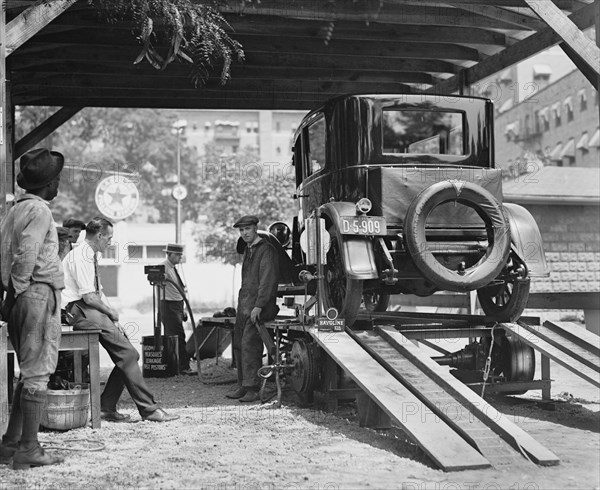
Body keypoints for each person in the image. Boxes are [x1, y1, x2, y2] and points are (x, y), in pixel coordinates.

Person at [62, 217, 179, 423]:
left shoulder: (89, 254)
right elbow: (89, 296)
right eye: (108, 238)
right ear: (98, 236)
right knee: (127, 354)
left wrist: (112, 315)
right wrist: (110, 313)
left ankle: (107, 408)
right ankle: (149, 410)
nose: (110, 242)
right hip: (80, 308)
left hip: (88, 307)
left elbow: (97, 292)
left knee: (129, 355)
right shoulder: (81, 255)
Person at [0, 148, 66, 469]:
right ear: (47, 184)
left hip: (19, 297)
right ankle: (29, 448)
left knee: (28, 375)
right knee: (38, 374)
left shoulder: (13, 211)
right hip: (36, 294)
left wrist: (10, 297)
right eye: (56, 181)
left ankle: (10, 444)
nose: (58, 187)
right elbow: (27, 255)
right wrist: (19, 290)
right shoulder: (40, 211)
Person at [226, 215, 279, 403]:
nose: (244, 233)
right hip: (245, 305)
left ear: (256, 228)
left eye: (247, 229)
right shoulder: (249, 250)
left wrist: (259, 306)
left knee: (250, 345)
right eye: (241, 230)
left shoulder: (266, 250)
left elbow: (267, 281)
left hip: (260, 306)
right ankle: (243, 384)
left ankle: (253, 388)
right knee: (239, 344)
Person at [160, 243, 193, 374]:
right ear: (169, 254)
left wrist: (183, 308)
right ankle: (182, 366)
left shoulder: (172, 268)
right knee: (177, 337)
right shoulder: (163, 267)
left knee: (176, 336)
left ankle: (177, 366)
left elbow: (178, 289)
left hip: (177, 304)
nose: (180, 257)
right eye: (177, 254)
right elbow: (154, 278)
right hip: (169, 305)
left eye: (181, 254)